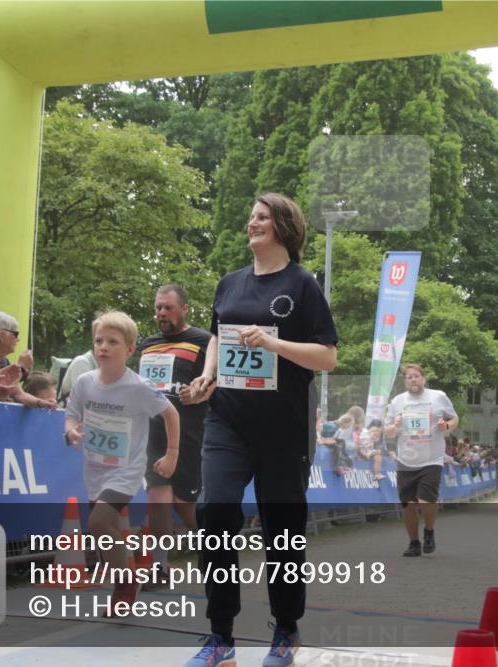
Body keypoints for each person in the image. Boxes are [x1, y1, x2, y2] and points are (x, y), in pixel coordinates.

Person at [185, 193, 337, 667]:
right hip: (227, 420)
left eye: (263, 217)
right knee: (214, 514)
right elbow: (217, 337)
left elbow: (327, 356)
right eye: (251, 215)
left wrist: (272, 341)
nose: (252, 222)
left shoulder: (303, 285)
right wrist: (208, 375)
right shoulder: (229, 283)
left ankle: (286, 629)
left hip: (283, 428)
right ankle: (220, 636)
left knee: (282, 532)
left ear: (284, 228)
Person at [64, 310, 181, 610]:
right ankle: (125, 579)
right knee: (105, 531)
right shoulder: (85, 383)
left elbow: (171, 414)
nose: (103, 347)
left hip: (126, 471)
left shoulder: (139, 387)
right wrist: (72, 432)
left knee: (99, 522)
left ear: (129, 350)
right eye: (99, 340)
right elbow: (71, 416)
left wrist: (171, 454)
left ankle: (125, 583)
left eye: (113, 342)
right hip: (95, 469)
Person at [137, 283, 212, 580]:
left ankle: (213, 550)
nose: (162, 313)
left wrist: (198, 390)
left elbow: (215, 381)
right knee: (158, 499)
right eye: (158, 307)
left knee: (184, 505)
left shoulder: (203, 341)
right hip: (153, 434)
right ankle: (159, 566)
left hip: (189, 434)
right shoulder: (147, 344)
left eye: (168, 307)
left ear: (184, 308)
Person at [384, 363, 459, 558]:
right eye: (409, 377)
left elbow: (454, 418)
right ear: (405, 381)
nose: (413, 379)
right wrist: (395, 426)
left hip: (431, 458)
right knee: (408, 505)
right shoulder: (397, 402)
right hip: (406, 459)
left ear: (423, 379)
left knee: (426, 501)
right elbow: (388, 431)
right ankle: (414, 542)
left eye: (416, 376)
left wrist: (447, 426)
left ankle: (429, 531)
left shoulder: (438, 397)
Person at [0, 311, 55, 409]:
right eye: (16, 334)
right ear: (2, 336)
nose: (18, 339)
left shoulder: (3, 361)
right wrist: (21, 367)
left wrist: (42, 403)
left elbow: (19, 394)